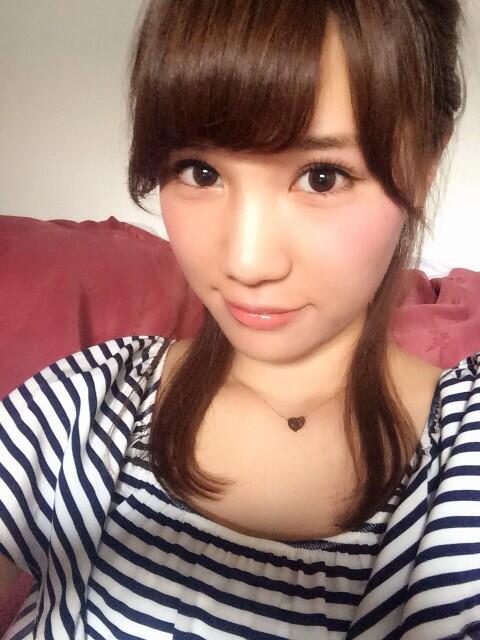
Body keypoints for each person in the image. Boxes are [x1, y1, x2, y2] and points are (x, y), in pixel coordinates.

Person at [1, 1, 478, 638]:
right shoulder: (86, 399)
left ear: (424, 166)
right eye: (200, 172)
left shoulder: (462, 461)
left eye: (322, 177)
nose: (246, 263)